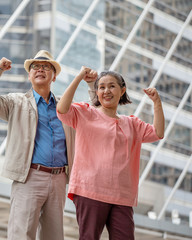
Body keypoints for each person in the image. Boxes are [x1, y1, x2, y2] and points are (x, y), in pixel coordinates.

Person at [0, 50, 94, 240]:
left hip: (58, 179)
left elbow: (93, 114)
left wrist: (91, 84)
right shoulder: (16, 102)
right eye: (35, 67)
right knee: (22, 234)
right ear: (29, 74)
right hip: (28, 177)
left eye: (46, 67)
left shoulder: (65, 107)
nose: (40, 70)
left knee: (54, 236)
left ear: (54, 76)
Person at [56, 67, 165, 239]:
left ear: (122, 91)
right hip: (89, 190)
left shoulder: (132, 124)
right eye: (102, 87)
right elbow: (62, 109)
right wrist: (79, 77)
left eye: (112, 86)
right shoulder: (85, 113)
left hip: (122, 195)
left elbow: (158, 132)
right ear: (97, 92)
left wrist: (157, 103)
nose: (107, 91)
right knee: (89, 237)